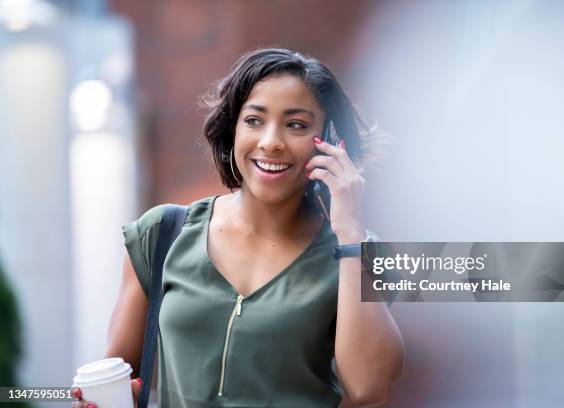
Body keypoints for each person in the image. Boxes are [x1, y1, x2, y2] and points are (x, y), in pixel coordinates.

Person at [73, 48, 404, 408]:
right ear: (233, 127)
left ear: (329, 141)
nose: (271, 141)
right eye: (254, 120)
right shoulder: (161, 234)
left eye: (296, 124)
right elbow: (119, 379)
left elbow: (368, 390)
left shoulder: (356, 254)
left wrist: (351, 235)